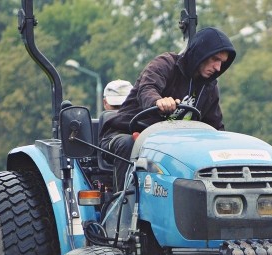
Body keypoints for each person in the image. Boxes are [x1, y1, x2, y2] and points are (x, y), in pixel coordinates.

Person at [99, 27, 236, 191]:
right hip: (123, 133)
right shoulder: (165, 64)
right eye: (215, 59)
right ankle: (123, 204)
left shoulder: (209, 87)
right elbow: (147, 89)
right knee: (129, 144)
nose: (218, 68)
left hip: (167, 144)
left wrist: (225, 151)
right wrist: (157, 102)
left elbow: (215, 126)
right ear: (201, 53)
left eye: (222, 62)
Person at [101, 79, 173, 255]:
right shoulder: (110, 130)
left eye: (124, 104)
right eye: (115, 105)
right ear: (106, 104)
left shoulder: (148, 123)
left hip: (151, 191)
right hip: (116, 187)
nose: (119, 109)